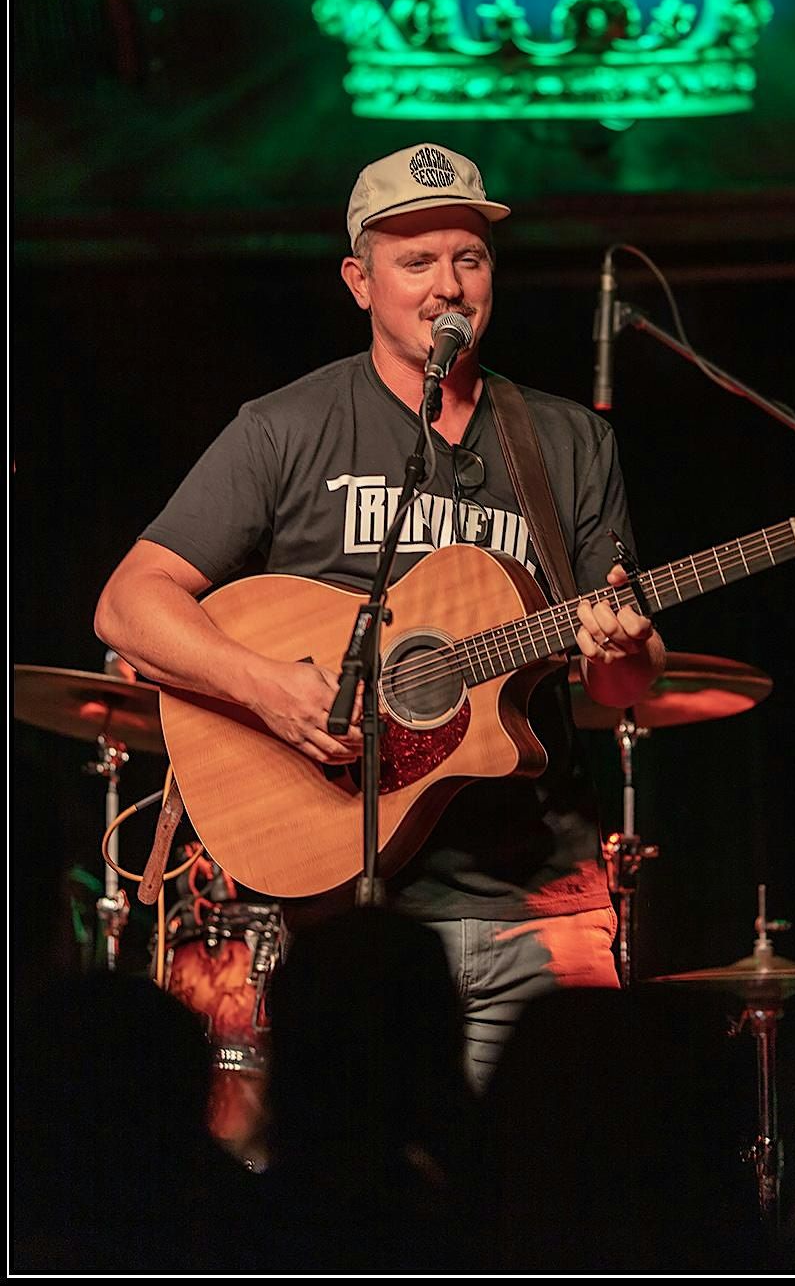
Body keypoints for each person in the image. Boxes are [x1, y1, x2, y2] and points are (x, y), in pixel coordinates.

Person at [95, 141, 665, 1086]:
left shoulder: (567, 441)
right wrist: (270, 688)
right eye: (416, 261)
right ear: (360, 282)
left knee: (559, 1164)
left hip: (540, 905)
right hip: (346, 926)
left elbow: (621, 682)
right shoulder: (284, 428)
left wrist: (625, 648)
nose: (448, 285)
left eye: (469, 257)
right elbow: (128, 604)